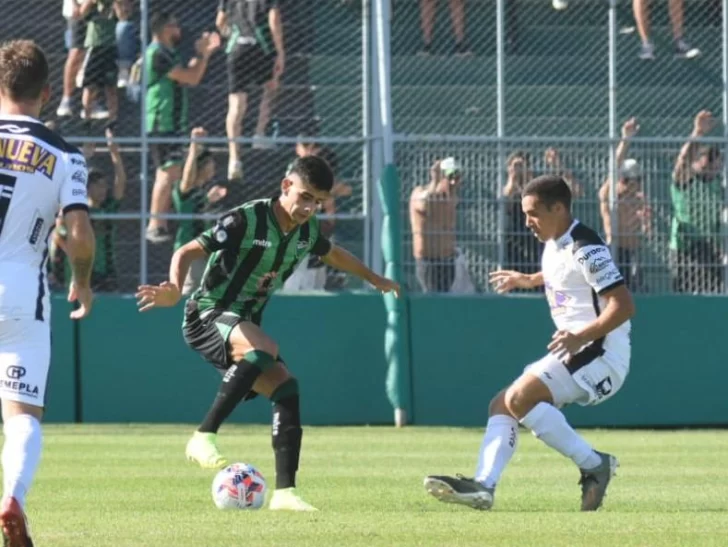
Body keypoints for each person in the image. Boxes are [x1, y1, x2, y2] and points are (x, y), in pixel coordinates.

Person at [136, 156, 399, 511]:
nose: (309, 208)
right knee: (265, 347)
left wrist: (374, 278)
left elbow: (333, 254)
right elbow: (187, 251)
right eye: (304, 197)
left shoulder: (306, 231)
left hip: (243, 323)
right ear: (286, 186)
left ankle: (285, 493)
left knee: (286, 387)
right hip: (207, 314)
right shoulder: (247, 219)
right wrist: (173, 288)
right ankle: (203, 436)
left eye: (317, 202)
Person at [424, 175, 635, 512]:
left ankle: (594, 464)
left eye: (533, 213)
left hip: (600, 353)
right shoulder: (555, 242)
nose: (527, 222)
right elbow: (564, 272)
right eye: (525, 214)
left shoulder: (587, 247)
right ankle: (484, 486)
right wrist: (528, 279)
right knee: (501, 405)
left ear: (559, 208)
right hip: (578, 349)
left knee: (519, 398)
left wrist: (581, 336)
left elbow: (623, 305)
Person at [0, 40, 95, 546]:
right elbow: (78, 232)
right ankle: (12, 497)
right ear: (48, 91)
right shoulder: (65, 154)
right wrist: (82, 280)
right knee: (21, 417)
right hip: (20, 290)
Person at [145, 11, 220, 243]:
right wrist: (202, 55)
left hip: (173, 122)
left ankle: (161, 223)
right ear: (164, 29)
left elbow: (192, 73)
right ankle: (155, 224)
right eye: (175, 26)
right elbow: (190, 77)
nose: (179, 30)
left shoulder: (169, 52)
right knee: (167, 172)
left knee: (173, 171)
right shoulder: (157, 52)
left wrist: (202, 54)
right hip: (162, 121)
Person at [217, 0, 285, 180]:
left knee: (236, 104)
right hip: (260, 45)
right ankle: (259, 134)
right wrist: (280, 51)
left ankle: (234, 158)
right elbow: (274, 18)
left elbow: (220, 21)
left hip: (236, 47)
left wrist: (231, 34)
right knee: (271, 86)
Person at [52, 127, 126, 292]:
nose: (102, 190)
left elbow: (120, 182)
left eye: (104, 186)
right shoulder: (77, 209)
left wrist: (115, 154)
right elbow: (58, 234)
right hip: (81, 269)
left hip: (105, 270)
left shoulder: (108, 209)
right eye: (97, 185)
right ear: (87, 187)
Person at [172, 127, 228, 296]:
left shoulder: (203, 192)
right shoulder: (185, 190)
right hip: (189, 250)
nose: (214, 166)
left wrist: (209, 200)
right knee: (189, 291)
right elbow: (187, 181)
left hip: (205, 251)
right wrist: (194, 148)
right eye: (210, 163)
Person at [409, 158, 462, 292]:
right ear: (440, 176)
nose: (453, 182)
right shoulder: (420, 192)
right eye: (450, 177)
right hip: (429, 261)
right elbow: (424, 204)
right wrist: (435, 181)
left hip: (448, 261)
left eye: (457, 177)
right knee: (432, 298)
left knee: (445, 297)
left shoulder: (450, 198)